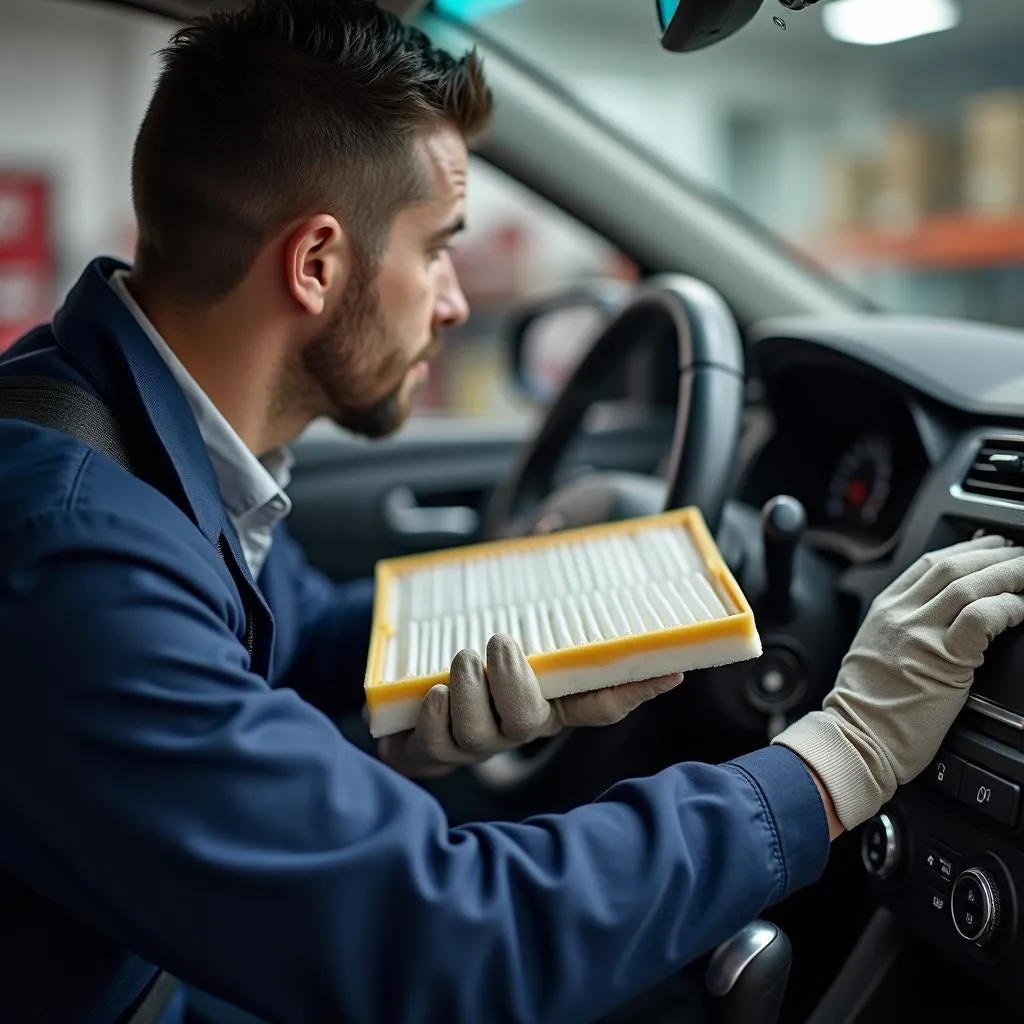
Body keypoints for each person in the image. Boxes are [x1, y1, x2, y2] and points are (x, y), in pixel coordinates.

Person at [1, 2, 1023, 1022]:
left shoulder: (125, 431)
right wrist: (843, 753)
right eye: (436, 247)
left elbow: (293, 630)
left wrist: (537, 612)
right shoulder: (75, 553)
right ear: (316, 264)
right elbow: (448, 934)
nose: (450, 300)